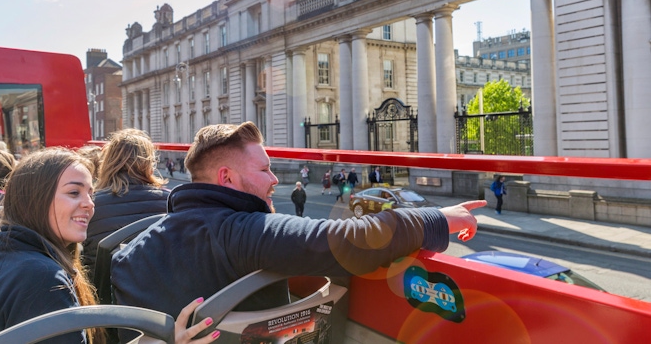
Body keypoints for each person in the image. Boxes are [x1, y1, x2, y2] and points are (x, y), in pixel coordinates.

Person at [111, 121, 486, 321]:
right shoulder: (239, 231)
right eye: (264, 169)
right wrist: (438, 219)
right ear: (226, 178)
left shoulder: (133, 248)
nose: (276, 180)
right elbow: (349, 238)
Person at [0, 147, 219, 344]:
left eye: (90, 194)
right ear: (34, 199)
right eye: (74, 192)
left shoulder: (3, 261)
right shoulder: (41, 279)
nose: (89, 204)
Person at [82, 128, 170, 274]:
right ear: (148, 165)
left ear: (107, 163)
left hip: (104, 291)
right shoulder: (171, 201)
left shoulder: (90, 203)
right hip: (158, 290)